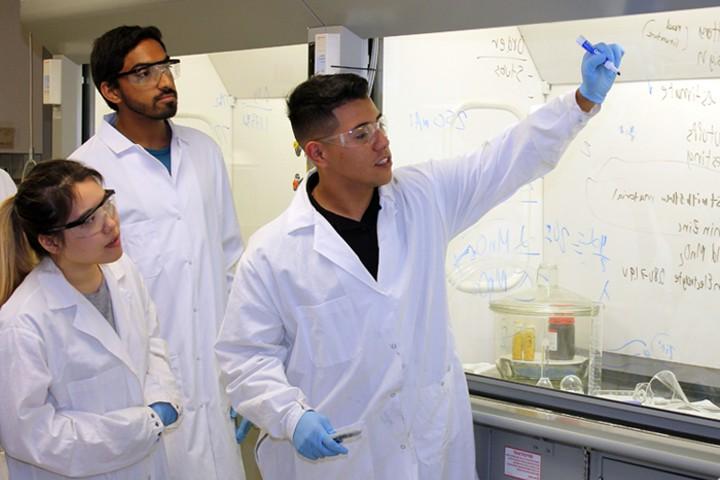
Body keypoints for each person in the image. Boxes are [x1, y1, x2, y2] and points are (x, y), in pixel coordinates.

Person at [216, 41, 624, 479]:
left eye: (378, 124)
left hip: (429, 451)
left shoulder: (422, 197)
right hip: (340, 461)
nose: (382, 142)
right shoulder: (274, 252)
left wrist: (582, 100)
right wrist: (291, 417)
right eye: (361, 134)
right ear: (318, 153)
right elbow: (244, 359)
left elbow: (503, 160)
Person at [70, 25, 246, 480]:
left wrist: (242, 372)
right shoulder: (87, 171)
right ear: (110, 90)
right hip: (143, 376)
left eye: (165, 66)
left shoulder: (204, 151)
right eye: (144, 72)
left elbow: (229, 259)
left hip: (214, 368)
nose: (164, 81)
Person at [0, 159, 182, 479]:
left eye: (106, 204)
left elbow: (151, 344)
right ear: (50, 241)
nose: (110, 224)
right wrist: (139, 426)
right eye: (88, 220)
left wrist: (161, 397)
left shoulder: (123, 272)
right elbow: (33, 437)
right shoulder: (23, 323)